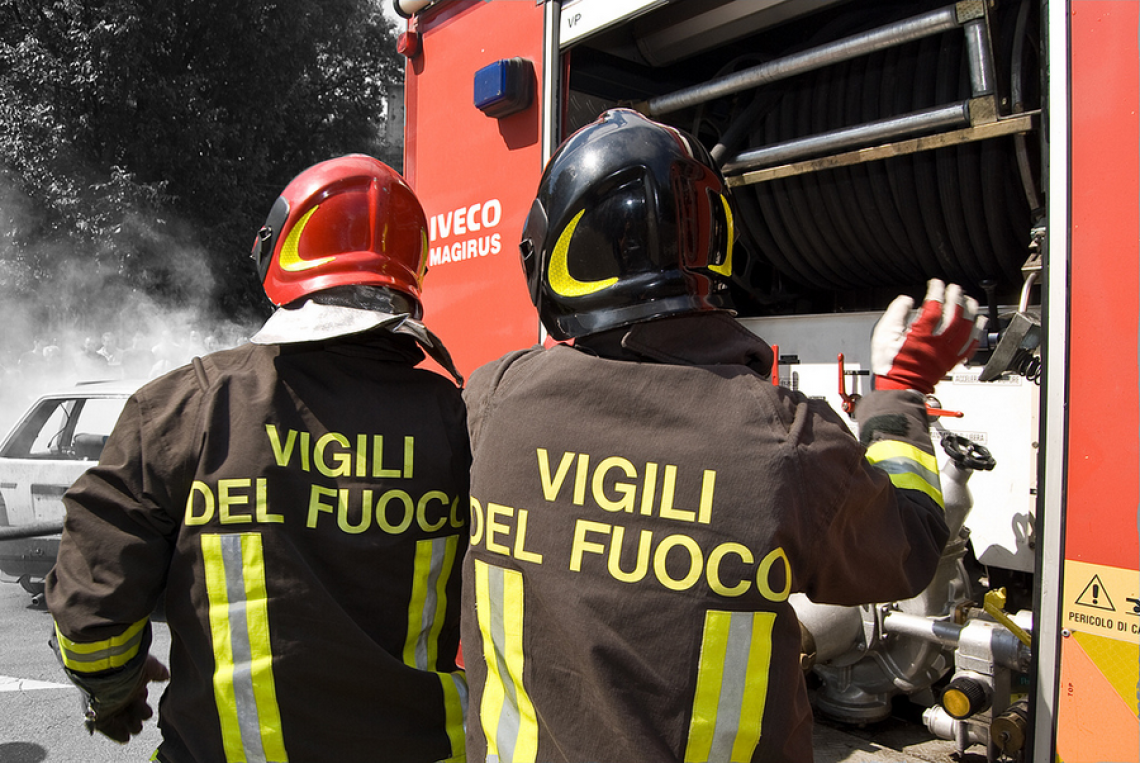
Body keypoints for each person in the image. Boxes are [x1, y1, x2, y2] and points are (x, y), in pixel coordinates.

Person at [459, 109, 986, 763]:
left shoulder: (491, 402)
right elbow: (905, 549)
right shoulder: (788, 439)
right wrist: (901, 390)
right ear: (713, 249)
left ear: (550, 252)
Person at [46, 155, 470, 763]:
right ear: (411, 275)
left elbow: (93, 605)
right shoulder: (460, 420)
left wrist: (113, 688)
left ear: (276, 253)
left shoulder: (182, 408)